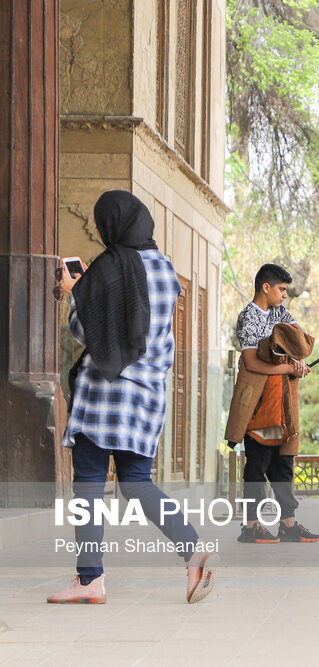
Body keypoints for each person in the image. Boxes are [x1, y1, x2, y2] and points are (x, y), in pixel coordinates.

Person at [48, 190, 215, 604]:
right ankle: (192, 548)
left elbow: (89, 334)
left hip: (103, 397)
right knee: (137, 483)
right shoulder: (166, 270)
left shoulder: (109, 268)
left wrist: (77, 293)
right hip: (146, 399)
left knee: (88, 485)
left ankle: (90, 581)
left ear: (109, 226)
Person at [225, 263, 319, 544]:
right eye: (281, 289)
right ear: (265, 287)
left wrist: (297, 362)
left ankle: (288, 524)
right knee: (257, 463)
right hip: (258, 402)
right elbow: (252, 362)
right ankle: (250, 526)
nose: (284, 296)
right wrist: (287, 368)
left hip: (284, 402)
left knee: (284, 462)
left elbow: (299, 342)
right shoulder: (248, 317)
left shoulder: (281, 312)